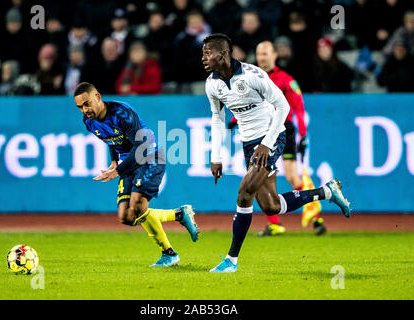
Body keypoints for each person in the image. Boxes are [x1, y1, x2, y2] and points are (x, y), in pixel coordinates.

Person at [202, 34, 352, 273]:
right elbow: (218, 118)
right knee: (271, 206)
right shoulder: (212, 83)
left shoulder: (253, 75)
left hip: (272, 136)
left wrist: (267, 143)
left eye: (208, 53)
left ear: (223, 54)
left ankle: (231, 260)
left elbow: (283, 106)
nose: (203, 58)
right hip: (250, 143)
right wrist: (216, 157)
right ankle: (326, 191)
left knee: (244, 194)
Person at [73, 82, 199, 267]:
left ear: (98, 97)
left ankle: (168, 253)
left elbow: (141, 146)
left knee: (138, 206)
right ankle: (179, 215)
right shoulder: (89, 122)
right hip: (129, 161)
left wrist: (118, 171)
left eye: (87, 104)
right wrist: (115, 160)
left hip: (150, 156)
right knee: (126, 216)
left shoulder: (122, 113)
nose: (85, 110)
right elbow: (111, 140)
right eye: (80, 107)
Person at [229, 41, 326, 236]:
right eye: (259, 54)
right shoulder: (249, 78)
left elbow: (298, 108)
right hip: (259, 132)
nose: (262, 58)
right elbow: (247, 105)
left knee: (291, 177)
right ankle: (275, 223)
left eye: (265, 54)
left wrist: (304, 135)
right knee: (255, 179)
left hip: (283, 131)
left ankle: (315, 216)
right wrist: (233, 119)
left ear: (274, 55)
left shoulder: (285, 80)